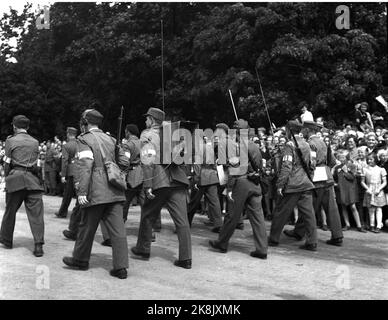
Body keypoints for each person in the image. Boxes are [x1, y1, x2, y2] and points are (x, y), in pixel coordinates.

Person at [62, 108, 129, 279]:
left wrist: (82, 191)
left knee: (86, 227)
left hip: (95, 189)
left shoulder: (84, 139)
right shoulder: (111, 138)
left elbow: (85, 165)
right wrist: (113, 172)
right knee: (118, 230)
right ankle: (121, 267)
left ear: (85, 122)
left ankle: (80, 260)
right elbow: (124, 162)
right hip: (115, 190)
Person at [131, 107, 192, 269]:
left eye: (147, 119)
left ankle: (143, 249)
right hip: (178, 179)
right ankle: (186, 258)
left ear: (151, 120)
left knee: (147, 215)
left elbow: (147, 159)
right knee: (182, 221)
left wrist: (148, 185)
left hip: (160, 180)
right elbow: (184, 158)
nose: (145, 121)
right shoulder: (174, 133)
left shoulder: (147, 134)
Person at [209, 119, 268, 259]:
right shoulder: (254, 146)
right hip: (255, 182)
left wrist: (229, 188)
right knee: (258, 217)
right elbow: (259, 164)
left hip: (240, 183)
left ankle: (222, 243)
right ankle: (262, 249)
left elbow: (232, 169)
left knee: (231, 215)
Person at [285, 120, 344, 247]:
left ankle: (302, 234)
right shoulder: (324, 142)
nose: (302, 131)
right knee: (331, 208)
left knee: (308, 208)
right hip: (327, 177)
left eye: (304, 129)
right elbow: (332, 161)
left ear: (308, 130)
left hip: (316, 178)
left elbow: (311, 163)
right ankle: (337, 236)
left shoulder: (310, 144)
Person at [268, 120, 317, 251]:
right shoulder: (307, 144)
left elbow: (286, 167)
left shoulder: (290, 145)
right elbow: (312, 165)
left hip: (293, 184)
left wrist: (280, 185)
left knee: (280, 212)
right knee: (308, 215)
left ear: (289, 130)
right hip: (306, 183)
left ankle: (273, 238)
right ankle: (312, 242)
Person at [0, 115, 45, 257]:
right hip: (33, 180)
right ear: (28, 127)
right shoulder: (35, 142)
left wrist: (7, 179)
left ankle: (7, 240)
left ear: (14, 126)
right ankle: (38, 245)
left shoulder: (10, 141)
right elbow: (37, 163)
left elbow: (7, 163)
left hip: (16, 178)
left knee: (10, 211)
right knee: (37, 215)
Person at [333, 150, 366, 232]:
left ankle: (359, 225)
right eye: (339, 157)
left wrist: (346, 171)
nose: (341, 159)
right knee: (343, 206)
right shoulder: (337, 168)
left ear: (347, 157)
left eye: (343, 157)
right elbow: (335, 178)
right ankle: (347, 224)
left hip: (350, 189)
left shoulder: (352, 165)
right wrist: (335, 184)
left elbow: (352, 177)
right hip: (341, 189)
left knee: (353, 206)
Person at [55, 127, 78, 218]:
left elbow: (64, 161)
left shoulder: (67, 146)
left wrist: (63, 175)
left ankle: (62, 212)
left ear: (68, 134)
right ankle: (79, 214)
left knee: (67, 194)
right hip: (80, 170)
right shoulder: (80, 144)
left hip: (71, 171)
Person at [361, 153, 387, 233]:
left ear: (375, 159)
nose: (369, 161)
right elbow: (362, 182)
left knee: (379, 208)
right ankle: (372, 225)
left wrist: (379, 188)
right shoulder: (365, 169)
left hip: (378, 190)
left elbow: (385, 182)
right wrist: (367, 188)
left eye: (371, 159)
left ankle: (379, 225)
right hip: (369, 189)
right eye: (368, 159)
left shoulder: (381, 169)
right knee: (371, 209)